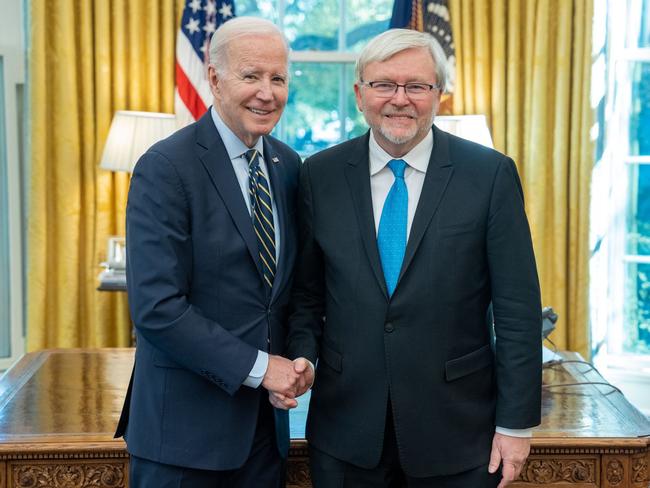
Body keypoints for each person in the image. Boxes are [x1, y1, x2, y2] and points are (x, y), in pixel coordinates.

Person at [283, 28, 542, 488]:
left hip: (459, 434)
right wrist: (303, 354)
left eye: (417, 86)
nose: (399, 99)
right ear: (360, 93)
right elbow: (307, 294)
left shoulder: (489, 175)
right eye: (384, 84)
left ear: (438, 94)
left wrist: (515, 424)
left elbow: (518, 310)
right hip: (345, 433)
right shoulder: (318, 175)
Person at [115, 17, 311, 487]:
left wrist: (302, 360)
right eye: (252, 76)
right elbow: (157, 309)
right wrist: (264, 370)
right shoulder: (165, 168)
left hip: (266, 437)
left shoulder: (288, 166)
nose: (268, 92)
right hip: (183, 442)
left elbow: (294, 290)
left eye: (278, 78)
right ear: (215, 77)